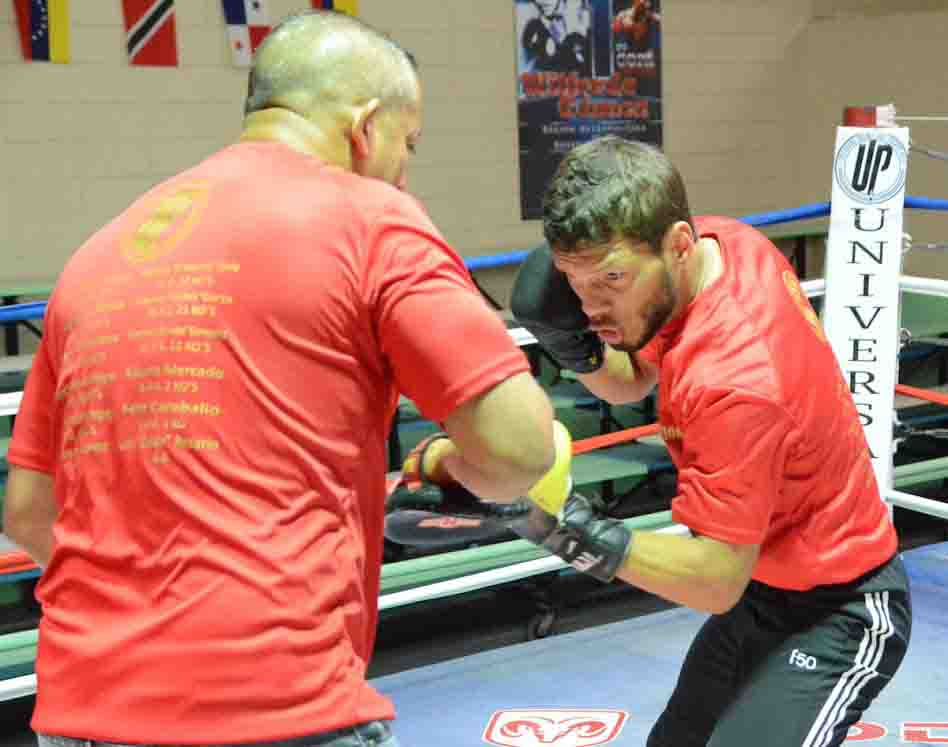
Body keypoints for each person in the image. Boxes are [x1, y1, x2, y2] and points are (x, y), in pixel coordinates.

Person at [2, 10, 574, 747]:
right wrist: (448, 466)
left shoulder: (99, 253)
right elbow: (519, 449)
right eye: (407, 145)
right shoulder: (373, 219)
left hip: (79, 708)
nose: (405, 172)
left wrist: (153, 610)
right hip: (274, 704)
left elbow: (29, 510)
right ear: (365, 128)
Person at [508, 135, 912, 747]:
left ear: (676, 246)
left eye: (611, 279)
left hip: (842, 608)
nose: (591, 306)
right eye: (574, 281)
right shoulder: (720, 246)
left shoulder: (736, 380)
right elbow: (631, 379)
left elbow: (715, 580)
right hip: (762, 590)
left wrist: (564, 529)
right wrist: (577, 349)